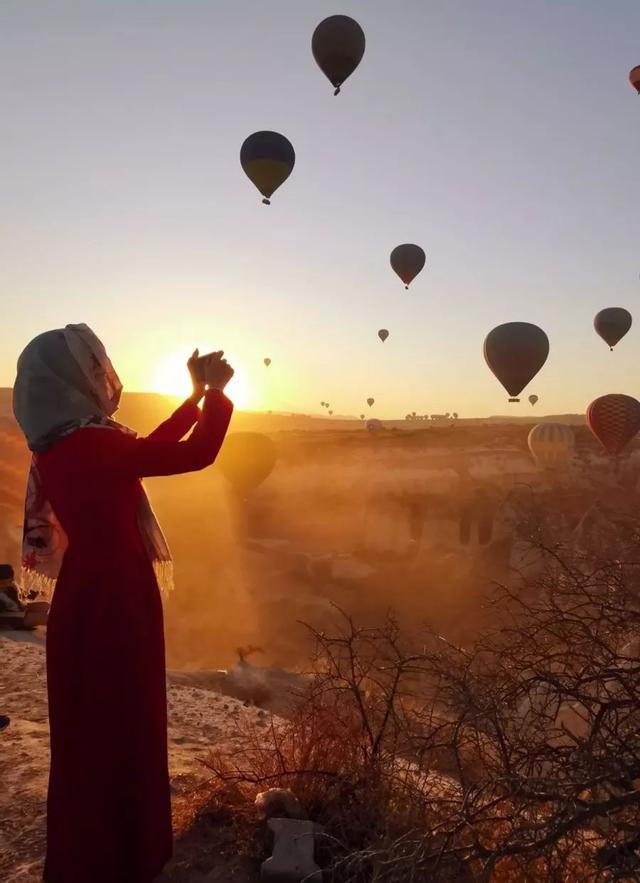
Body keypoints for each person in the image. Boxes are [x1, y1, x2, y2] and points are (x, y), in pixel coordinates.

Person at [12, 324, 234, 883]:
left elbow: (145, 450)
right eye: (95, 365)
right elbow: (196, 455)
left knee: (90, 727)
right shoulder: (93, 442)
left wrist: (191, 397)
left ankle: (90, 851)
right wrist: (217, 395)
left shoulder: (63, 442)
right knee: (125, 719)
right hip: (118, 595)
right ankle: (125, 854)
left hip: (87, 591)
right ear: (78, 376)